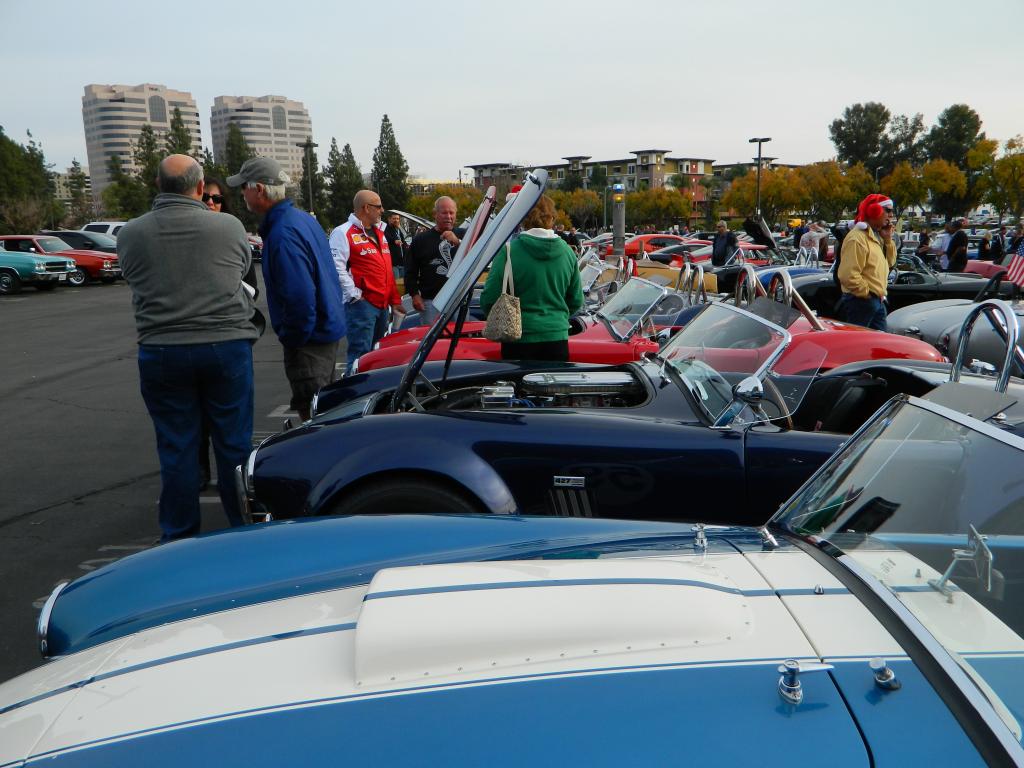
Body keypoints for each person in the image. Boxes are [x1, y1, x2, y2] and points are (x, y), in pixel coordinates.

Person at [118, 155, 257, 542]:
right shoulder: (228, 226)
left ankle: (177, 538)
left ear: (158, 186)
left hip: (162, 349)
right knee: (233, 445)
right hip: (225, 344)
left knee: (177, 447)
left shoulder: (131, 233)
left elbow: (131, 276)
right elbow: (241, 268)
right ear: (200, 189)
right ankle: (243, 531)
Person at [230, 157, 346, 422]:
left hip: (310, 341)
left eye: (243, 187)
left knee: (315, 418)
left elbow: (299, 297)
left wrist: (294, 337)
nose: (241, 193)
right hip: (324, 333)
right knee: (326, 409)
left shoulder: (283, 232)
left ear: (259, 189)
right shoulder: (301, 219)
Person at [196, 175, 260, 490]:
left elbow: (251, 287)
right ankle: (198, 471)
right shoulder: (182, 236)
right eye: (206, 197)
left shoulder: (235, 234)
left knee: (231, 425)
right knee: (193, 421)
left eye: (217, 198)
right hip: (191, 341)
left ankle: (236, 495)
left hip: (229, 337)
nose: (211, 202)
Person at [480, 194, 583, 362]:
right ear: (552, 216)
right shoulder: (568, 252)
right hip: (557, 336)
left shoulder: (509, 251)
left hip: (519, 337)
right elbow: (576, 299)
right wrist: (556, 317)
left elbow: (490, 296)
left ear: (523, 217)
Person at [329, 189, 402, 372]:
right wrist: (354, 295)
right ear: (366, 208)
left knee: (377, 356)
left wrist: (395, 300)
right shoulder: (342, 232)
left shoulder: (380, 232)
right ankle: (354, 396)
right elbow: (336, 268)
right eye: (378, 206)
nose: (382, 210)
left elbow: (386, 268)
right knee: (360, 358)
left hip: (383, 305)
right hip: (362, 306)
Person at [836, 193, 896, 331]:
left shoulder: (876, 236)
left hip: (877, 300)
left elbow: (891, 263)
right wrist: (867, 294)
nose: (891, 215)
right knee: (859, 346)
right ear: (874, 210)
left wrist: (888, 239)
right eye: (887, 210)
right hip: (863, 301)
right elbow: (848, 275)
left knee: (879, 346)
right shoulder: (857, 238)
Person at [406, 195, 460, 326]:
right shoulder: (420, 240)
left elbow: (476, 258)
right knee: (432, 342)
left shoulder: (465, 236)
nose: (448, 216)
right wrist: (414, 294)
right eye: (444, 212)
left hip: (458, 300)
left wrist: (458, 242)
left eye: (451, 212)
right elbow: (410, 270)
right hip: (430, 302)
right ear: (435, 214)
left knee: (459, 341)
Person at [384, 212, 407, 279]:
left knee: (402, 284)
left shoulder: (398, 229)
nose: (396, 220)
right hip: (393, 264)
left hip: (402, 262)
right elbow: (386, 237)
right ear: (389, 219)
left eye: (397, 219)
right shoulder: (386, 228)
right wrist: (394, 241)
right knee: (396, 284)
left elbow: (403, 242)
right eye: (394, 218)